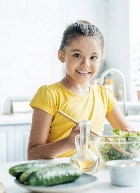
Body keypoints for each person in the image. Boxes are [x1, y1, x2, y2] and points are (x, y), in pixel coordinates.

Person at [28, 20, 133, 160]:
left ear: (100, 60)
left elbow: (130, 137)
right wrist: (68, 143)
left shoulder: (104, 96)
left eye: (93, 57)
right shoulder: (49, 95)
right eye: (77, 55)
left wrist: (122, 142)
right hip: (59, 173)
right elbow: (33, 154)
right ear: (61, 56)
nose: (85, 64)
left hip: (93, 170)